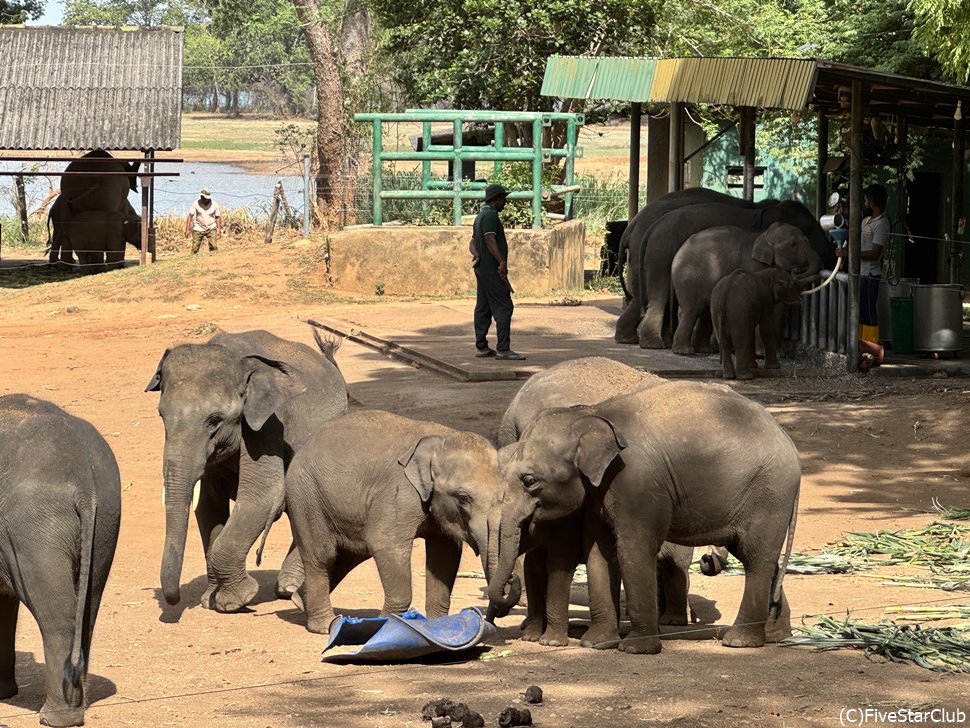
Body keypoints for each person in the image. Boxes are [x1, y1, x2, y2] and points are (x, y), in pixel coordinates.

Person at [469, 183, 525, 360]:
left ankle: (482, 346)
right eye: (503, 199)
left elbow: (472, 242)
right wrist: (502, 262)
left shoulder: (479, 216)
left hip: (481, 269)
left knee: (483, 307)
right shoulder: (491, 216)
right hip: (492, 269)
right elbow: (490, 239)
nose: (505, 203)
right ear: (496, 199)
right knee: (504, 307)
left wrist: (476, 253)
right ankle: (503, 348)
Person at [836, 183, 889, 343]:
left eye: (866, 200)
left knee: (868, 311)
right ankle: (858, 344)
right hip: (860, 272)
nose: (865, 203)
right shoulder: (866, 220)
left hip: (870, 274)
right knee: (859, 311)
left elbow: (875, 253)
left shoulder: (881, 224)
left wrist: (850, 254)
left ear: (872, 202)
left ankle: (870, 345)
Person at [184, 187, 222, 254]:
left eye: (205, 198)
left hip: (211, 227)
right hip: (198, 227)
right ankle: (193, 260)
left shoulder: (214, 204)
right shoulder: (196, 203)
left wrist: (219, 229)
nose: (203, 199)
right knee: (195, 248)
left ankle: (213, 260)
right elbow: (190, 216)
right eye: (202, 197)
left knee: (213, 246)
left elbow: (217, 217)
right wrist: (187, 230)